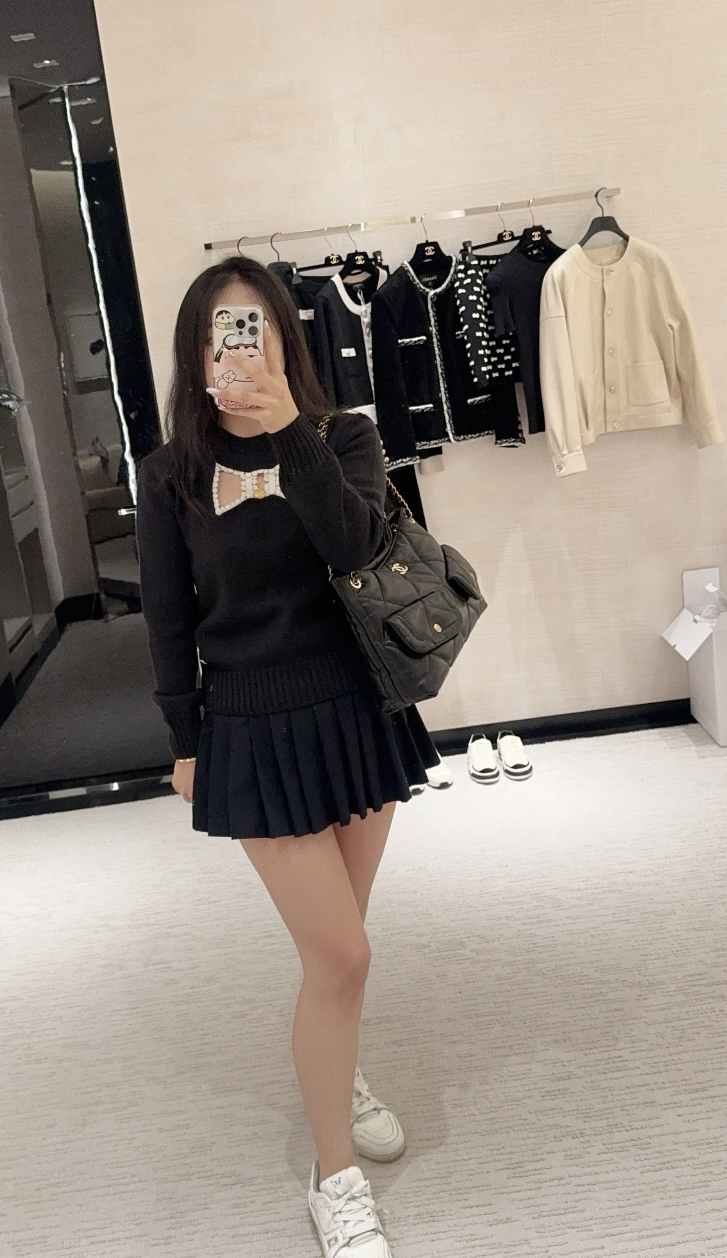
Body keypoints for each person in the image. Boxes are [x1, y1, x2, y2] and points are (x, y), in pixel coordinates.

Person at [137, 255, 437, 1256]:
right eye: (219, 331)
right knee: (342, 953)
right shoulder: (171, 474)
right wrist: (184, 738)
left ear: (283, 339)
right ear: (196, 352)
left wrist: (291, 434)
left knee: (338, 948)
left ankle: (336, 1072)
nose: (238, 347)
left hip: (355, 709)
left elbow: (356, 546)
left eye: (255, 327)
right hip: (252, 727)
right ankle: (333, 1175)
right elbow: (167, 618)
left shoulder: (343, 436)